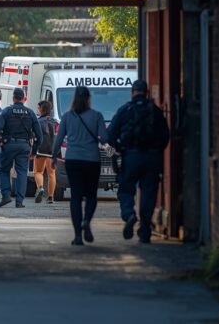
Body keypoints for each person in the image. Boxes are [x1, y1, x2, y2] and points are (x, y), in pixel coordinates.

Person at [106, 79, 170, 244]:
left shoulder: (125, 110)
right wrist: (156, 151)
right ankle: (145, 231)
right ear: (146, 92)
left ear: (132, 92)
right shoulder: (155, 111)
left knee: (126, 190)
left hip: (131, 157)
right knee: (148, 193)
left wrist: (118, 151)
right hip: (152, 158)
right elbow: (165, 137)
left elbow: (110, 136)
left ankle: (129, 214)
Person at [51, 86, 106, 246]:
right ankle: (87, 221)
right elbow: (105, 138)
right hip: (92, 160)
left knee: (75, 197)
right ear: (89, 98)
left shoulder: (67, 117)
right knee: (91, 195)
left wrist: (54, 156)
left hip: (73, 160)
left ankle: (77, 236)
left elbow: (59, 139)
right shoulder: (97, 116)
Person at [0, 88, 42, 208]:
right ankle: (19, 201)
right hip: (24, 146)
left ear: (13, 98)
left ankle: (6, 195)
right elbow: (39, 135)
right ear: (24, 98)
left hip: (8, 145)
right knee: (21, 172)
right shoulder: (30, 113)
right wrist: (34, 151)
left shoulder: (7, 111)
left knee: (4, 169)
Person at [34, 100, 58, 204]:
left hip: (41, 149)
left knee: (38, 171)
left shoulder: (38, 122)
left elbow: (35, 137)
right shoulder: (55, 122)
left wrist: (33, 150)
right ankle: (51, 196)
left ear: (42, 109)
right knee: (52, 173)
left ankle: (40, 188)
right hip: (52, 150)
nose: (38, 110)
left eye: (38, 108)